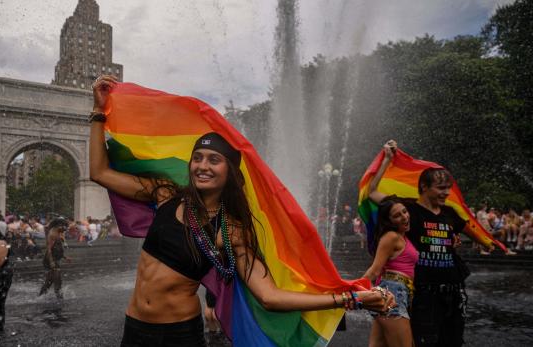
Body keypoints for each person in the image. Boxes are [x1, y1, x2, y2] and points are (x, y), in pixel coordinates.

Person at [90, 75, 394, 346]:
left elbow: (269, 296)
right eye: (198, 158)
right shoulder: (166, 194)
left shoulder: (231, 229)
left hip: (178, 334)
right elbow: (99, 173)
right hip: (134, 327)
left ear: (230, 172)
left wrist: (348, 298)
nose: (202, 166)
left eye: (213, 160)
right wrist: (99, 113)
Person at [368, 140, 491, 347]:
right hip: (423, 293)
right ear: (424, 187)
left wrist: (488, 242)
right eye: (441, 188)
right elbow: (373, 193)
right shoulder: (408, 210)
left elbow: (469, 227)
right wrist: (388, 160)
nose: (446, 193)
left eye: (448, 189)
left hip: (452, 292)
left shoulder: (449, 214)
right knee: (425, 340)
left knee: (452, 340)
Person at [363, 197, 418, 347]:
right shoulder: (391, 237)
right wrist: (351, 292)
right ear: (389, 221)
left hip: (395, 293)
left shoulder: (403, 237)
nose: (404, 217)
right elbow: (374, 271)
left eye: (404, 211)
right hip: (393, 294)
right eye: (397, 215)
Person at [39, 218, 70, 299]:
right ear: (59, 226)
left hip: (54, 259)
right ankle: (60, 298)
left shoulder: (58, 232)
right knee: (58, 280)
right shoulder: (53, 234)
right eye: (64, 227)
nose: (65, 229)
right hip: (50, 260)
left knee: (49, 281)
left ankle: (40, 296)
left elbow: (57, 248)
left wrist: (65, 257)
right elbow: (49, 250)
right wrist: (51, 262)